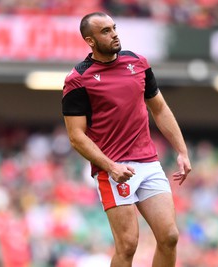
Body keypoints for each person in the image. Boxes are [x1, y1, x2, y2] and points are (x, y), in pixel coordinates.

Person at [62, 12, 192, 267]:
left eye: (114, 28)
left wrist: (182, 151)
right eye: (106, 31)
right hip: (113, 169)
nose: (114, 34)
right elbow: (76, 136)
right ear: (90, 40)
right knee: (128, 245)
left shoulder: (138, 63)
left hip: (148, 161)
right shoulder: (78, 79)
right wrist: (111, 166)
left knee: (170, 236)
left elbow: (160, 109)